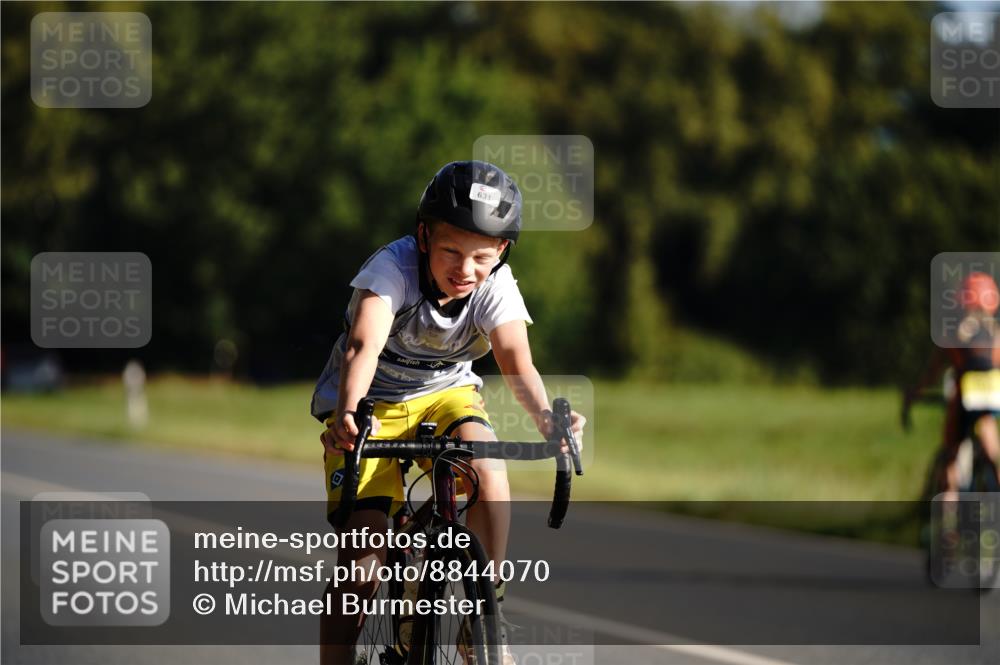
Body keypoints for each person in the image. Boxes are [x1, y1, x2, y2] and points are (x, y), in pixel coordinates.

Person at [311, 160, 586, 665]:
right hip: (373, 400)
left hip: (447, 393)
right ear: (423, 237)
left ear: (501, 251)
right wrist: (348, 413)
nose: (465, 270)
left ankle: (485, 609)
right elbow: (362, 346)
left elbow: (515, 360)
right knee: (362, 564)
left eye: (482, 257)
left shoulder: (494, 283)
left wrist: (549, 421)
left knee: (488, 471)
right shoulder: (390, 270)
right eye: (450, 252)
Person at [904, 271, 1000, 497]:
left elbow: (932, 374)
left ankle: (948, 520)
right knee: (991, 448)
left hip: (964, 399)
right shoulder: (996, 335)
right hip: (992, 398)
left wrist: (914, 394)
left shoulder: (954, 334)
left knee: (952, 457)